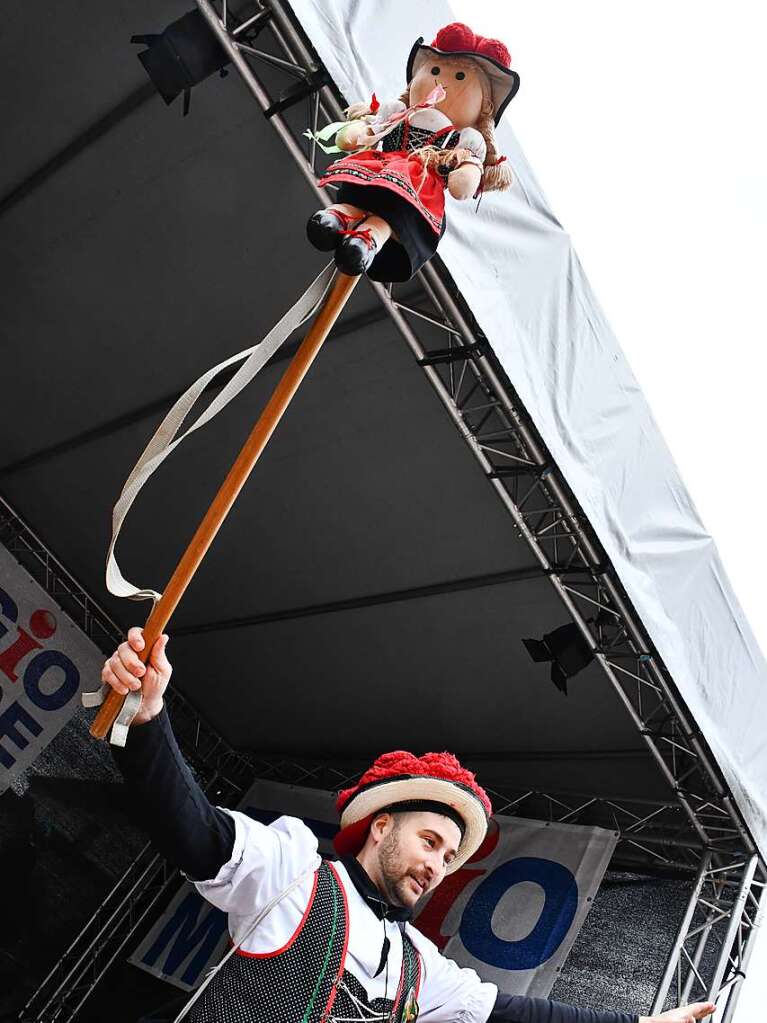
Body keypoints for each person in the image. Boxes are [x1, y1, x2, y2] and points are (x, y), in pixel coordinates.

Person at [105, 629, 716, 1023]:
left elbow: (517, 1015)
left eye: (450, 857)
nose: (437, 864)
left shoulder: (421, 967)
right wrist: (148, 716)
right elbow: (192, 829)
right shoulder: (296, 872)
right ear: (379, 827)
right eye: (430, 841)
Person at [305, 23, 517, 281]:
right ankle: (340, 217)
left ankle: (368, 239)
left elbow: (465, 179)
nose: (440, 80)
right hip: (379, 172)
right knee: (361, 200)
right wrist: (357, 133)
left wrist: (465, 174)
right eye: (435, 70)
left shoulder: (465, 139)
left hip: (419, 191)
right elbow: (369, 129)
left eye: (460, 77)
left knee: (392, 217)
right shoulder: (398, 112)